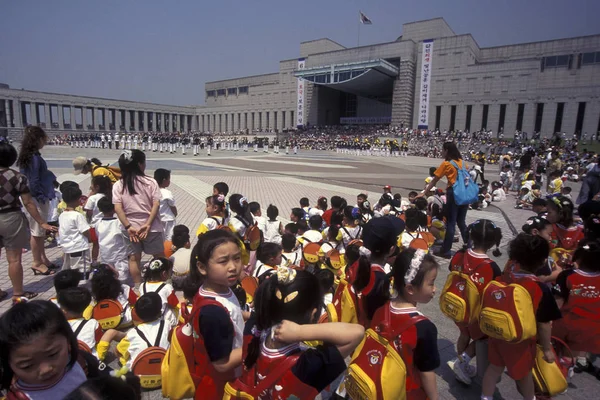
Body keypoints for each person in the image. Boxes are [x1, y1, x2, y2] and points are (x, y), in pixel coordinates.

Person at [239, 268, 365, 398]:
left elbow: (256, 315)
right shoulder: (307, 365)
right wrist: (300, 331)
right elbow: (357, 332)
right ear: (313, 314)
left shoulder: (253, 330)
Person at [481, 234, 562, 400]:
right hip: (521, 341)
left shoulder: (505, 276)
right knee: (524, 375)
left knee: (494, 368)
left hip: (498, 333)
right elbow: (544, 324)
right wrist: (547, 349)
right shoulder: (538, 288)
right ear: (542, 262)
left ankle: (485, 397)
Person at [372, 248, 440, 400]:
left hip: (380, 383)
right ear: (410, 288)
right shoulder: (424, 328)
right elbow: (426, 372)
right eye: (432, 283)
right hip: (406, 391)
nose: (435, 289)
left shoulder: (381, 309)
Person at [188, 230, 245, 399]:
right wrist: (258, 345)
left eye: (237, 258)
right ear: (202, 268)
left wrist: (248, 316)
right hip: (222, 387)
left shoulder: (215, 290)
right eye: (223, 261)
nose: (233, 267)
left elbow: (230, 312)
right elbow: (222, 363)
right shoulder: (212, 313)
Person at [0, 138, 57, 303]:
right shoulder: (18, 177)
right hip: (11, 217)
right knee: (14, 259)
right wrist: (41, 222)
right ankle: (18, 293)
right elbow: (28, 203)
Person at [446, 220, 502, 385]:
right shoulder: (492, 267)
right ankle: (461, 362)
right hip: (476, 311)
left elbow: (451, 269)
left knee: (464, 333)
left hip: (457, 305)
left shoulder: (458, 255)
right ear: (493, 242)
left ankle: (460, 363)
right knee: (483, 338)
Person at [0, 300, 87, 399]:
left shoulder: (81, 361)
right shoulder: (20, 397)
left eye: (52, 354)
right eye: (27, 366)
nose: (45, 370)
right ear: (8, 365)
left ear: (68, 341)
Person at [112, 150, 164, 285]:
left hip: (130, 229)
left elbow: (118, 208)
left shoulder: (118, 185)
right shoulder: (150, 182)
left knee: (134, 259)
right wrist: (147, 224)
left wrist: (128, 226)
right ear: (140, 164)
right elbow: (156, 204)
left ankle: (137, 286)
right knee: (159, 256)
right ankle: (163, 282)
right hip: (151, 227)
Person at [552, 241, 600, 372]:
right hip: (590, 328)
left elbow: (558, 303)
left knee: (555, 350)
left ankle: (553, 376)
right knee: (571, 355)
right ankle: (566, 374)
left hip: (566, 324)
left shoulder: (568, 276)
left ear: (578, 258)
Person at [17, 126, 59, 274]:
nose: (45, 142)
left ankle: (43, 258)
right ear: (38, 139)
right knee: (37, 231)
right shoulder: (34, 158)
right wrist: (40, 196)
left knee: (40, 231)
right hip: (36, 198)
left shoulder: (30, 156)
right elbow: (33, 181)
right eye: (44, 139)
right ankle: (36, 262)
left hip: (35, 197)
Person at [419, 141, 469, 259]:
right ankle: (469, 245)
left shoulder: (447, 164)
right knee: (461, 222)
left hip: (454, 193)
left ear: (446, 150)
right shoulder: (463, 163)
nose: (441, 152)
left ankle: (446, 250)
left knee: (451, 222)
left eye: (442, 150)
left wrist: (424, 193)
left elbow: (434, 180)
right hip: (465, 194)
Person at [116, 293, 170, 370]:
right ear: (160, 311)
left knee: (124, 354)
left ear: (138, 314)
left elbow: (118, 351)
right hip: (165, 370)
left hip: (140, 375)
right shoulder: (167, 324)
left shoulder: (133, 333)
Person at [95, 197, 130, 283]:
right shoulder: (119, 222)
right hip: (119, 255)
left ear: (100, 209)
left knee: (108, 277)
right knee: (122, 278)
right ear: (114, 208)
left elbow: (97, 235)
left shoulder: (98, 223)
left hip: (105, 255)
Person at [138, 257, 179, 328]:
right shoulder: (167, 287)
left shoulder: (142, 285)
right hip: (162, 319)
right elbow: (173, 304)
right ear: (164, 274)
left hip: (145, 318)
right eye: (170, 272)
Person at [59, 186, 91, 273]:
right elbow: (85, 231)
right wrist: (90, 239)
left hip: (67, 248)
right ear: (77, 200)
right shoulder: (77, 215)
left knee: (70, 270)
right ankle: (81, 285)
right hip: (79, 247)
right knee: (82, 270)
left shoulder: (62, 215)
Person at [84, 176, 113, 265]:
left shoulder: (92, 198)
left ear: (97, 187)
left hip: (95, 225)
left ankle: (94, 261)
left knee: (95, 245)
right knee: (107, 242)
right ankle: (109, 259)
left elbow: (88, 210)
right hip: (108, 224)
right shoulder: (109, 196)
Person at [154, 169, 177, 241]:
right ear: (164, 180)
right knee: (169, 237)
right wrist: (175, 214)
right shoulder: (167, 192)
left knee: (160, 238)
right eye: (169, 179)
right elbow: (172, 206)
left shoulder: (153, 191)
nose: (169, 181)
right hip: (168, 219)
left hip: (157, 219)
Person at [169, 225, 192, 290]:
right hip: (189, 280)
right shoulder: (192, 252)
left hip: (176, 281)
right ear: (187, 243)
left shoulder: (172, 256)